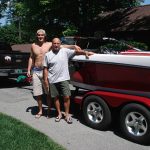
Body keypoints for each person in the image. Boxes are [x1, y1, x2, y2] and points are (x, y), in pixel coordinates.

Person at [27, 29, 82, 119]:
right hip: (36, 71)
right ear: (36, 36)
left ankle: (48, 110)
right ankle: (40, 111)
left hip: (46, 71)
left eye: (42, 35)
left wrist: (73, 46)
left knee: (48, 93)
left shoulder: (49, 44)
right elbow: (31, 58)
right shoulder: (33, 45)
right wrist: (28, 70)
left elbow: (62, 46)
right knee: (37, 93)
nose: (40, 36)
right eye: (38, 35)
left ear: (45, 36)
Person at [43, 38, 94, 123]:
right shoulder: (47, 55)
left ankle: (66, 114)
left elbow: (76, 52)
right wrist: (45, 80)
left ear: (60, 44)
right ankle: (59, 114)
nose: (56, 45)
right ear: (52, 44)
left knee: (66, 97)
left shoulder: (65, 51)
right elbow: (45, 68)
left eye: (57, 43)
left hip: (64, 79)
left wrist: (85, 52)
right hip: (52, 79)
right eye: (54, 43)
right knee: (55, 98)